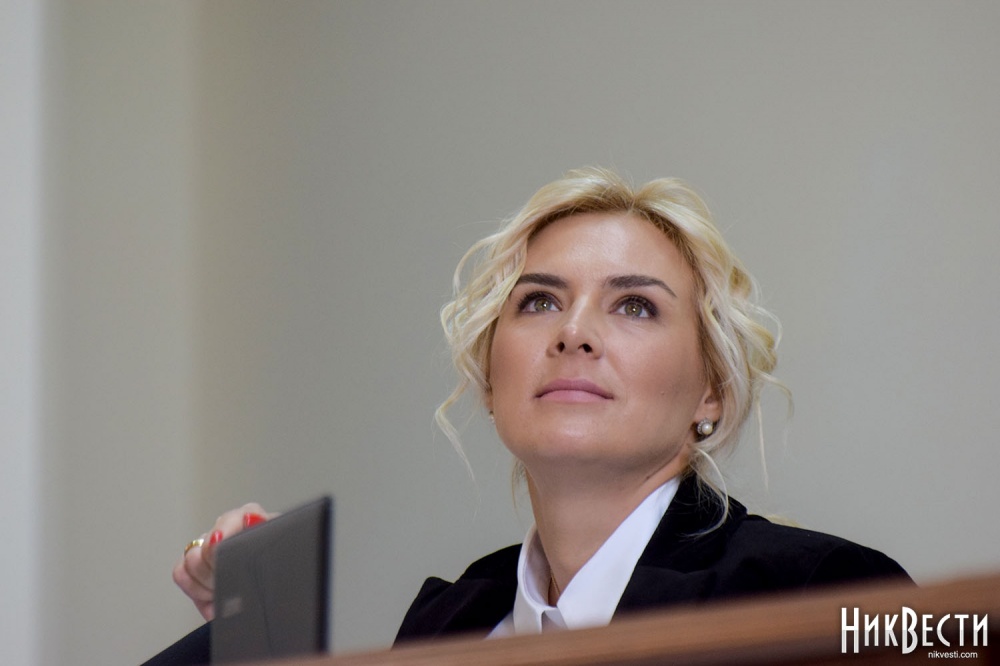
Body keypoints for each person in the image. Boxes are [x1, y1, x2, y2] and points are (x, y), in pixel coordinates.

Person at [147, 167, 908, 662]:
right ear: (489, 377)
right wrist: (247, 641)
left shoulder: (819, 592)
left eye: (634, 306)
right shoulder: (448, 622)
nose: (573, 332)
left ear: (711, 389)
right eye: (539, 301)